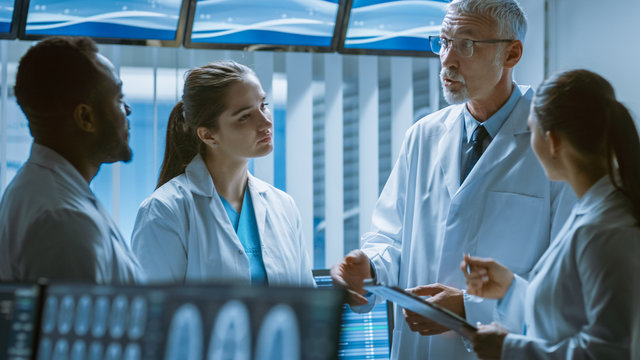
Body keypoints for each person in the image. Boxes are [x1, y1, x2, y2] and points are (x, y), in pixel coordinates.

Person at [331, 0, 576, 358]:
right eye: (444, 42)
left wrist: (471, 308)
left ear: (511, 54)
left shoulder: (554, 142)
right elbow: (391, 235)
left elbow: (568, 281)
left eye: (467, 44)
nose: (447, 59)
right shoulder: (423, 136)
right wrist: (369, 266)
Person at [462, 69, 640, 359]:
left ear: (554, 141)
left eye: (532, 131)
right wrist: (510, 289)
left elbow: (610, 351)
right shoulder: (592, 210)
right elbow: (567, 315)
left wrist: (510, 350)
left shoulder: (607, 229)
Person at [131, 60, 314, 286]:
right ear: (208, 135)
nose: (266, 121)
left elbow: (307, 303)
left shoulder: (283, 206)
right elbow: (154, 313)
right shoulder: (164, 211)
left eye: (263, 105)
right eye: (244, 116)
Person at [0, 36, 144, 284]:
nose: (128, 110)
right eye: (119, 99)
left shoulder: (46, 190)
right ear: (85, 118)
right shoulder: (63, 220)